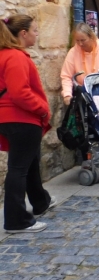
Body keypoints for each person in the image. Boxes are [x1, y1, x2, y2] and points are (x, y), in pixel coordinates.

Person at [0, 15, 54, 233]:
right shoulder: (16, 57)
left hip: (8, 118)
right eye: (35, 30)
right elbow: (20, 93)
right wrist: (42, 109)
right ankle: (16, 220)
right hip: (22, 118)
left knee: (29, 163)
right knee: (19, 168)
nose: (36, 34)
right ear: (23, 33)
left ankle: (40, 201)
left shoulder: (5, 56)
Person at [61, 23, 99, 106]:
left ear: (91, 37)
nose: (80, 44)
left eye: (83, 40)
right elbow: (66, 76)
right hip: (84, 96)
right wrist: (67, 94)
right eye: (77, 41)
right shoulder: (73, 52)